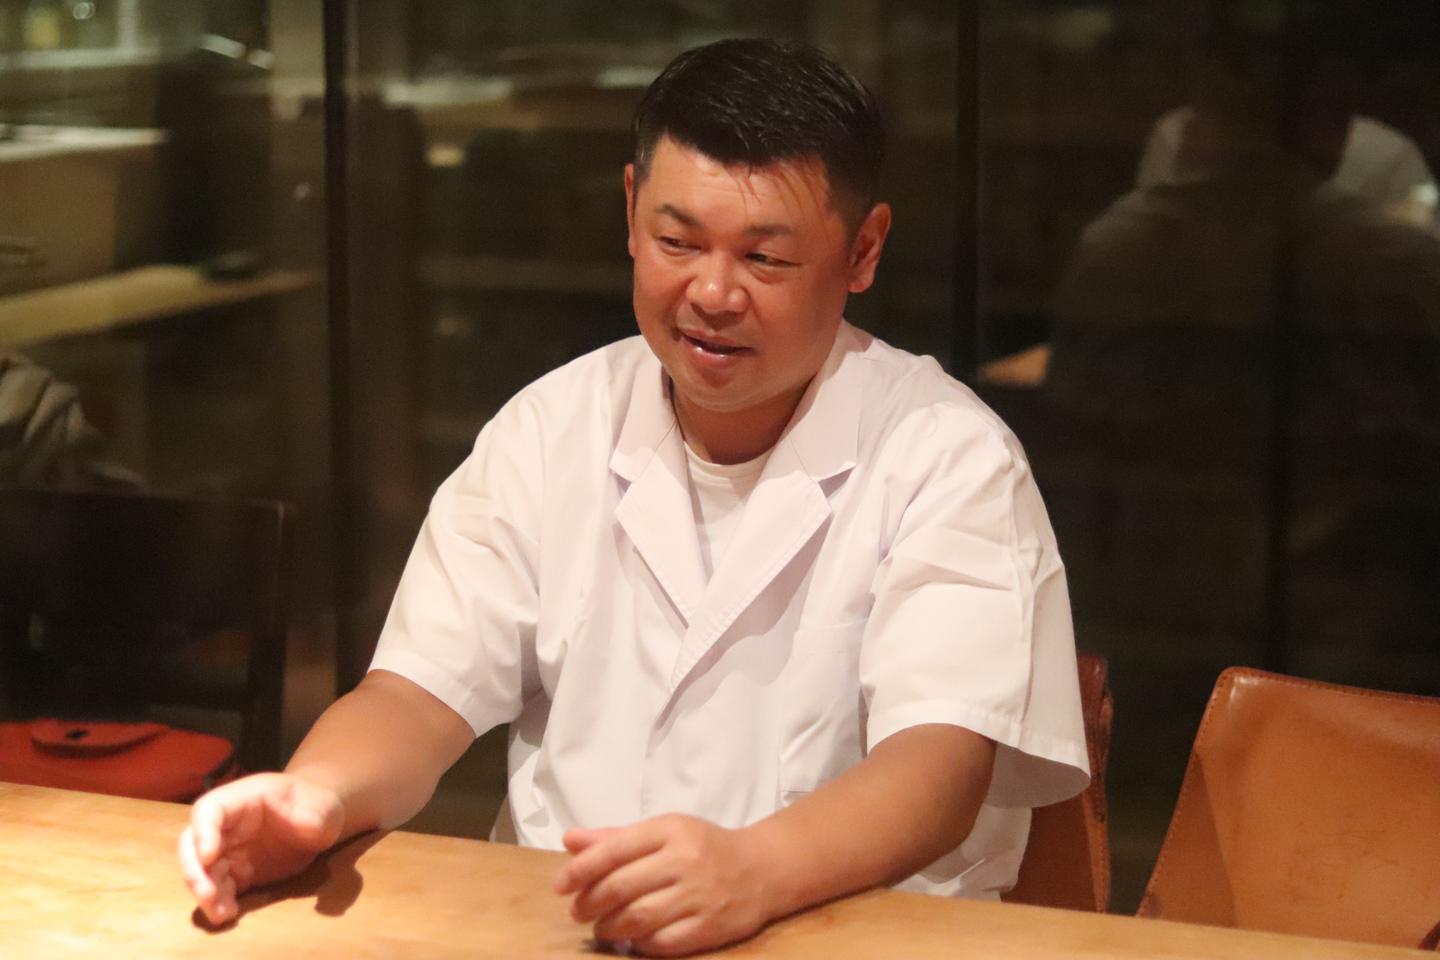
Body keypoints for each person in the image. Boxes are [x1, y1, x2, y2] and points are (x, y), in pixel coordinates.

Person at [177, 39, 1088, 956]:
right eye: (677, 242)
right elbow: (416, 695)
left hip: (845, 937)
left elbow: (938, 769)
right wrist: (317, 796)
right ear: (629, 210)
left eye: (766, 258)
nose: (713, 293)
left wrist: (755, 870)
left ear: (863, 250)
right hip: (562, 930)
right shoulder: (552, 425)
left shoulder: (949, 455)